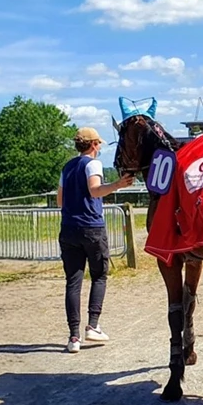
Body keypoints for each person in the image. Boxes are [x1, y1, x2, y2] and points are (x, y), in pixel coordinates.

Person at [58, 127, 134, 353]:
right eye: (98, 144)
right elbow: (95, 190)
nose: (99, 148)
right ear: (93, 145)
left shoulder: (67, 167)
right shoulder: (93, 164)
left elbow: (60, 200)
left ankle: (73, 336)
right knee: (99, 275)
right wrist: (118, 185)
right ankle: (93, 324)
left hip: (68, 227)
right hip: (91, 227)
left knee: (73, 281)